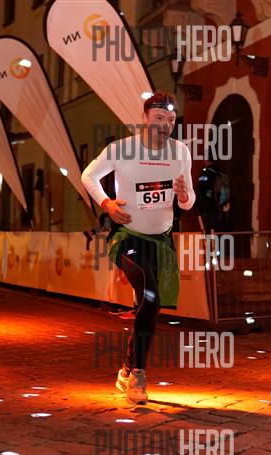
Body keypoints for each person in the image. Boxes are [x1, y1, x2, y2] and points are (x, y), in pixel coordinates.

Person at [81, 91, 195, 405]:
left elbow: (188, 201)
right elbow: (89, 175)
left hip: (161, 241)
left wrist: (183, 195)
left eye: (171, 120)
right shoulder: (122, 149)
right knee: (151, 296)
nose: (165, 125)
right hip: (128, 238)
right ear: (144, 118)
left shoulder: (180, 152)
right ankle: (138, 377)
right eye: (159, 118)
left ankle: (127, 368)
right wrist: (106, 203)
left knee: (150, 305)